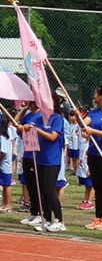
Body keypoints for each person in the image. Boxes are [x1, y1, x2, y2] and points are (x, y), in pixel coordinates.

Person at [75, 85, 102, 231]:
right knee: (98, 187)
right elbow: (84, 124)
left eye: (95, 94)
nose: (94, 96)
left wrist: (93, 131)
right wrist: (77, 117)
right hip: (93, 153)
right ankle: (98, 216)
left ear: (101, 96)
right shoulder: (94, 112)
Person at [23, 91, 66, 232]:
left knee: (49, 191)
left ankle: (59, 220)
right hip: (40, 158)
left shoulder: (57, 118)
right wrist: (27, 129)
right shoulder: (40, 119)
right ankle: (47, 219)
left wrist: (37, 130)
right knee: (42, 191)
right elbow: (29, 129)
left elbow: (53, 137)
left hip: (52, 160)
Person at [0, 117, 13, 213]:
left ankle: (7, 204)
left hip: (4, 165)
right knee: (4, 185)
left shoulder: (2, 136)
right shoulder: (7, 134)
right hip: (6, 164)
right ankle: (4, 204)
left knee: (7, 185)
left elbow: (3, 152)